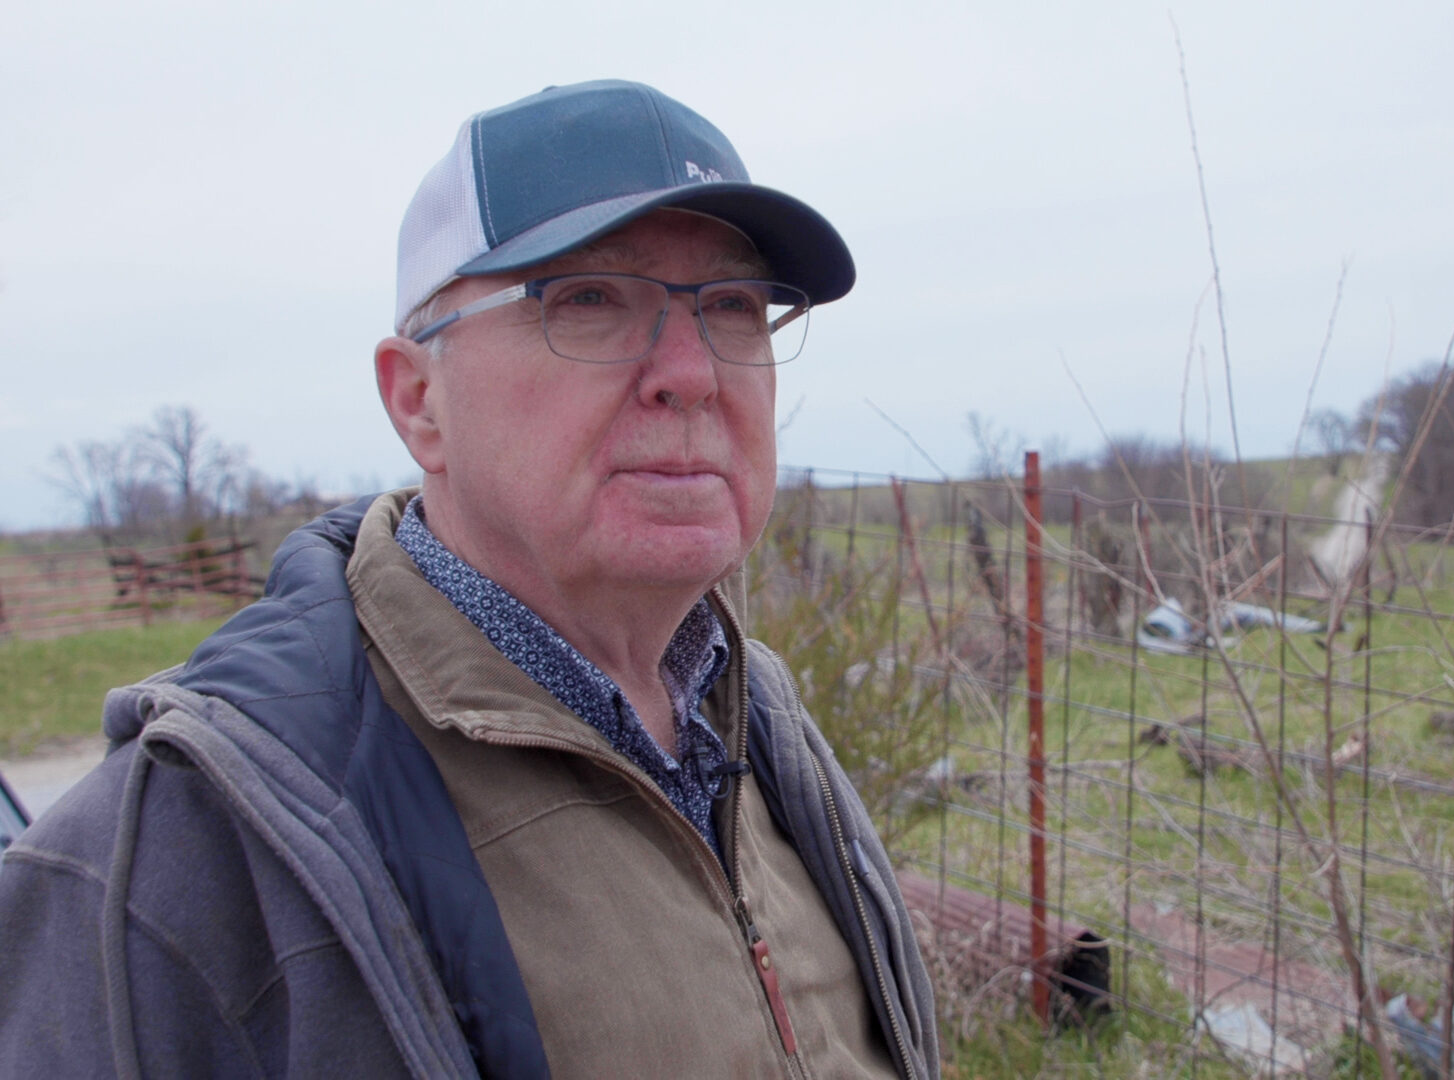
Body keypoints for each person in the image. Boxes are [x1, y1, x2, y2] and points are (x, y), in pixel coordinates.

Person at [0, 80, 939, 1078]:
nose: (693, 371)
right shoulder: (176, 851)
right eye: (587, 300)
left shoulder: (764, 727)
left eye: (733, 307)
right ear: (418, 401)